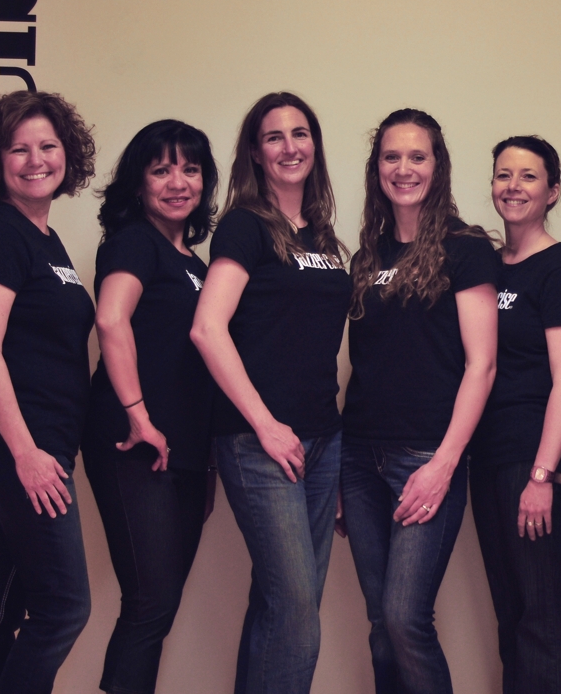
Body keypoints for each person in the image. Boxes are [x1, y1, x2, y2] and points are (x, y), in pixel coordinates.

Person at [190, 92, 351, 694]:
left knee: (279, 602)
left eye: (300, 133)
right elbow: (207, 329)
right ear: (256, 153)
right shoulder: (245, 226)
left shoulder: (324, 238)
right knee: (296, 608)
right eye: (274, 137)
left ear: (315, 145)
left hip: (322, 440)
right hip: (259, 441)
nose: (289, 147)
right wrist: (265, 424)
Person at [340, 108, 499, 694]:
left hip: (427, 456)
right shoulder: (367, 256)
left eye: (416, 156)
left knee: (405, 618)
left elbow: (482, 366)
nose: (403, 169)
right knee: (380, 625)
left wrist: (444, 465)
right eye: (391, 157)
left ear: (438, 166)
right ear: (376, 168)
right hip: (358, 458)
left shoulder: (467, 248)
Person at [0, 90, 97, 694]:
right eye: (19, 149)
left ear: (68, 154)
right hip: (20, 449)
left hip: (44, 446)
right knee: (65, 606)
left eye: (47, 146)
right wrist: (25, 453)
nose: (36, 160)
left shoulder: (43, 238)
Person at [82, 120, 220, 694]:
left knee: (158, 608)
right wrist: (140, 416)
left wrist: (206, 459)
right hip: (133, 443)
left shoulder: (195, 264)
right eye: (161, 170)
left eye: (190, 169)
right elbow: (111, 319)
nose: (177, 182)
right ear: (138, 184)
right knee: (150, 602)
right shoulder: (134, 242)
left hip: (183, 450)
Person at [470, 135, 561, 694]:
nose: (513, 186)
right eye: (504, 175)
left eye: (528, 176)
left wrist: (542, 476)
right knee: (512, 613)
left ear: (553, 192)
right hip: (489, 454)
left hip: (534, 457)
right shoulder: (487, 268)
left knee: (543, 614)